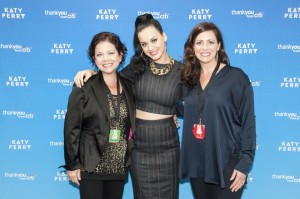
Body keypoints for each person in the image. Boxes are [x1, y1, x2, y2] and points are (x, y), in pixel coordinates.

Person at [73, 14, 185, 199]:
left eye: (154, 40)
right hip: (139, 146)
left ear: (164, 36)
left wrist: (172, 112)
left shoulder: (182, 71)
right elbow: (110, 76)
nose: (151, 47)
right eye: (144, 44)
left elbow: (189, 105)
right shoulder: (137, 67)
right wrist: (91, 72)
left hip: (168, 146)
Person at [179, 22, 256, 199]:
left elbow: (248, 123)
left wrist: (244, 164)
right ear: (192, 47)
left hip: (227, 161)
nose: (204, 47)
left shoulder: (237, 78)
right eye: (199, 42)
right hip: (197, 161)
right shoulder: (187, 78)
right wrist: (172, 116)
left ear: (219, 45)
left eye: (210, 42)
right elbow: (186, 108)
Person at [61, 32, 136, 199]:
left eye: (110, 53)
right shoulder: (84, 86)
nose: (105, 59)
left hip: (118, 166)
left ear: (120, 55)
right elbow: (71, 128)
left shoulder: (129, 86)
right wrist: (72, 165)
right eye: (99, 55)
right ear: (94, 59)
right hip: (91, 165)